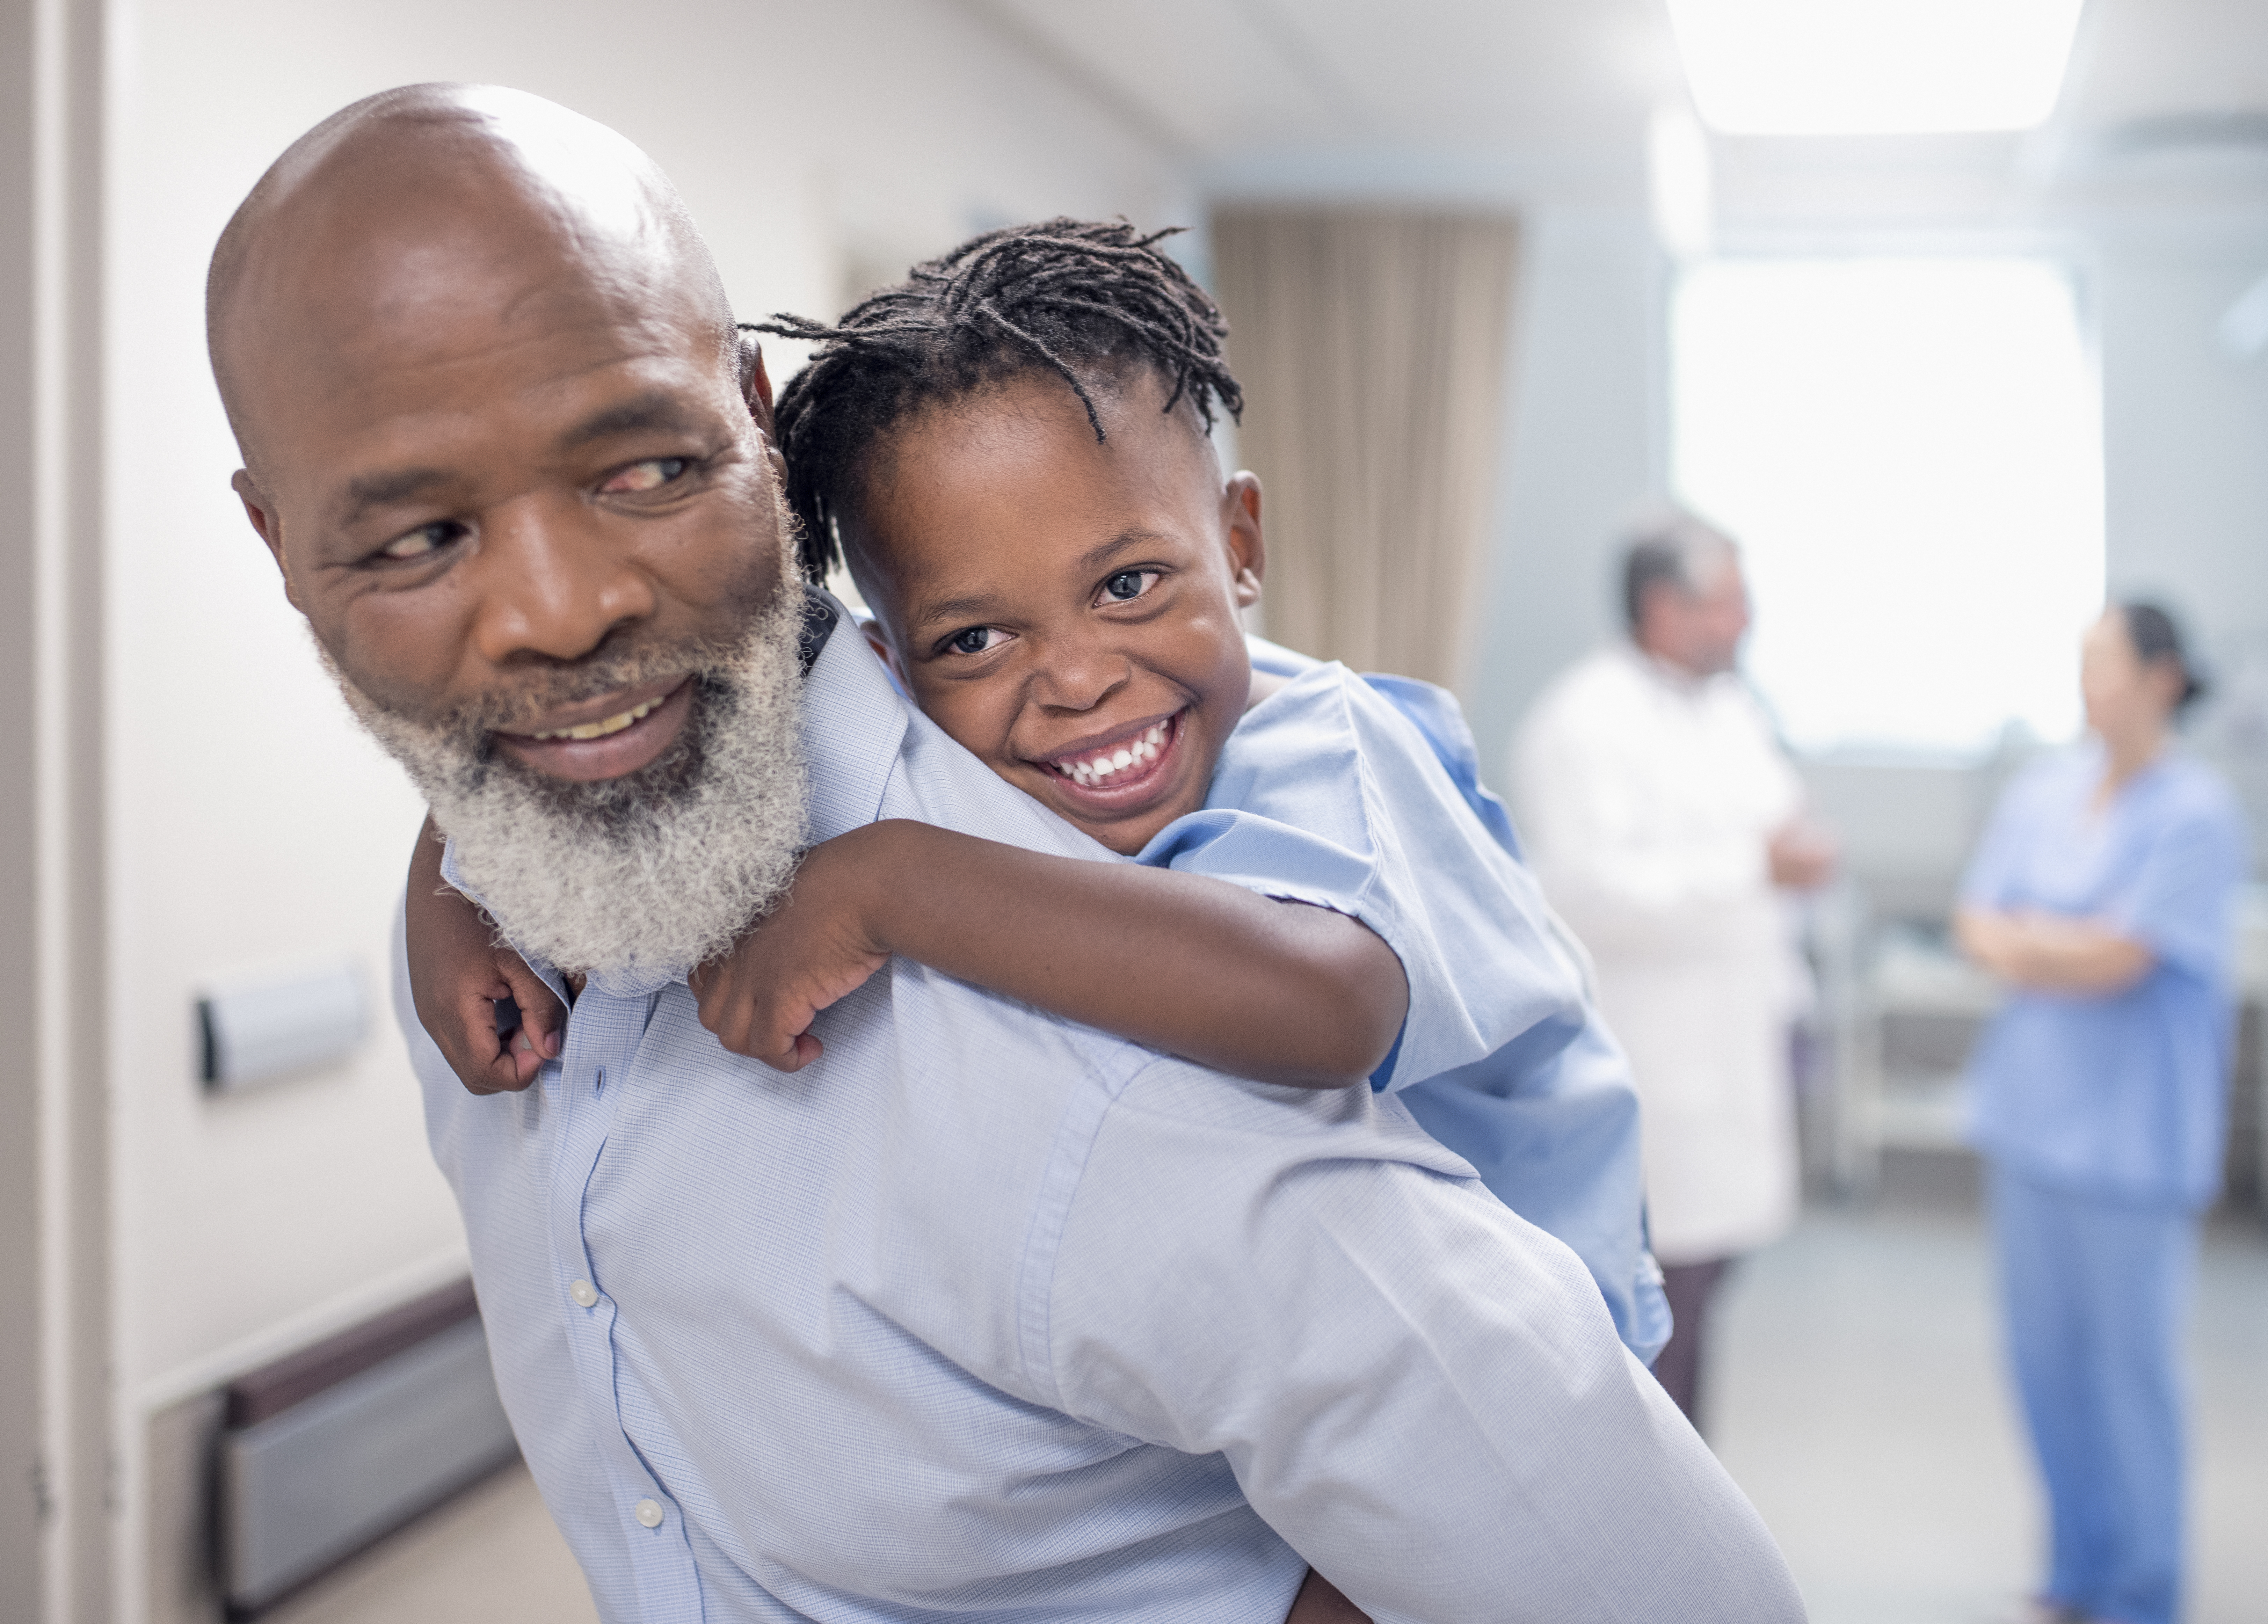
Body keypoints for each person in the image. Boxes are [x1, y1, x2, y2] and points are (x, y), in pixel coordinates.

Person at [208, 83, 1805, 1624]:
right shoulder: (524, 882)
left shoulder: (1142, 989)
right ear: (283, 546)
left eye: (644, 469)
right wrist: (446, 875)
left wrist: (899, 884)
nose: (559, 612)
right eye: (419, 537)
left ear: (751, 436)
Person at [410, 217, 1668, 1366]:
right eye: (974, 641)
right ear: (891, 662)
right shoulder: (945, 715)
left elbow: (1324, 1002)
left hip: (1535, 1336)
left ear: (1240, 546)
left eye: (1127, 586)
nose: (1075, 679)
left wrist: (888, 887)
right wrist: (457, 885)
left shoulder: (1330, 748)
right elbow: (653, 712)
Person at [1952, 603, 2247, 1624]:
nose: (2090, 687)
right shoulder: (2045, 790)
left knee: (2132, 1380)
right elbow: (1976, 921)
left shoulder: (2197, 813)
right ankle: (2077, 1572)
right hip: (2032, 1124)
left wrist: (2040, 942)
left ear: (2165, 677)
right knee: (2044, 1367)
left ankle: (2143, 1593)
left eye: (2107, 667)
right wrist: (2061, 943)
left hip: (2132, 1144)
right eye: (2082, 667)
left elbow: (2129, 959)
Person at [1509, 512, 1835, 1428]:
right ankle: (1652, 1538)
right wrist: (1754, 869)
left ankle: (1689, 1525)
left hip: (1731, 1055)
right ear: (1661, 608)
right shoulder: (1583, 720)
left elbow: (1775, 820)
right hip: (1652, 1063)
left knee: (1702, 1303)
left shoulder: (1731, 707)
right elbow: (1585, 891)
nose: (1745, 620)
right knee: (1652, 1330)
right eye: (1724, 602)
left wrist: (1792, 855)